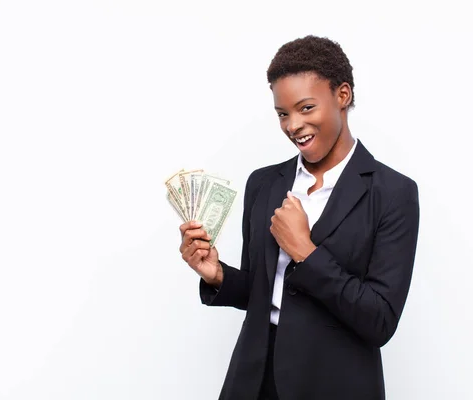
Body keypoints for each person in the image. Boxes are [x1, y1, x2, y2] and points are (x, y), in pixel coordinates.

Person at [179, 35, 420, 400]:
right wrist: (218, 274)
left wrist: (306, 251)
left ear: (343, 95)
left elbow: (380, 320)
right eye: (283, 114)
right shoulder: (263, 183)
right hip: (254, 379)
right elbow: (262, 292)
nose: (293, 125)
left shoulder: (392, 193)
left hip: (335, 384)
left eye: (306, 108)